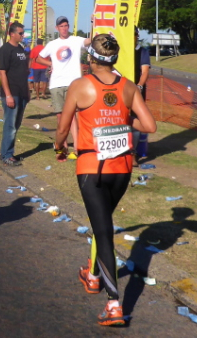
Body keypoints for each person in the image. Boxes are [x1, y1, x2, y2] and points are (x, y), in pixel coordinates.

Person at [55, 34, 156, 326]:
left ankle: (113, 304)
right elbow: (149, 125)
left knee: (103, 232)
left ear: (90, 58)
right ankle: (92, 274)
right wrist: (120, 119)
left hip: (92, 168)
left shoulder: (79, 86)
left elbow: (63, 128)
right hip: (122, 169)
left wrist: (58, 147)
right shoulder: (129, 86)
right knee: (102, 224)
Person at [36, 16, 92, 160]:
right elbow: (38, 58)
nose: (64, 28)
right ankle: (63, 147)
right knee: (60, 116)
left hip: (73, 84)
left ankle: (77, 147)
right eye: (61, 26)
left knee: (72, 116)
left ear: (69, 27)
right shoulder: (53, 44)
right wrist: (50, 64)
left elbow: (90, 40)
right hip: (56, 84)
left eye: (66, 25)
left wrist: (94, 22)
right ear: (57, 28)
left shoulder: (75, 40)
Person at [0, 22, 29, 166]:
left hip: (22, 92)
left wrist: (27, 92)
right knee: (10, 125)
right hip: (12, 92)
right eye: (20, 33)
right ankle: (6, 155)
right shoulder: (5, 49)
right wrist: (8, 95)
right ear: (12, 34)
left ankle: (7, 152)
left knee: (16, 124)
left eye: (23, 33)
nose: (23, 35)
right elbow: (2, 72)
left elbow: (23, 72)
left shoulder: (21, 49)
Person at [133, 26, 151, 159]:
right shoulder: (120, 50)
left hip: (136, 91)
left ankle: (133, 152)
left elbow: (145, 72)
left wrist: (139, 85)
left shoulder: (142, 51)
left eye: (133, 35)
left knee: (135, 120)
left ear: (137, 36)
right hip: (120, 90)